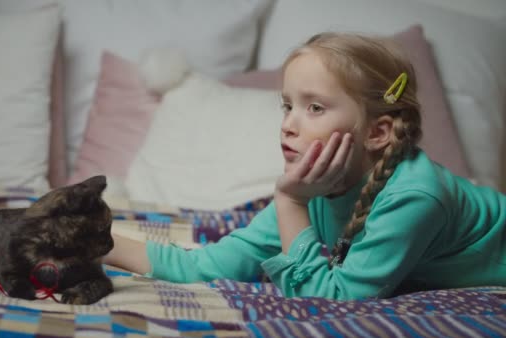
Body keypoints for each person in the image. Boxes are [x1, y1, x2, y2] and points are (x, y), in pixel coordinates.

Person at [104, 32, 506, 300]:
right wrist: (94, 242)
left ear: (378, 132)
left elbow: (334, 299)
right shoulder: (317, 187)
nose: (288, 124)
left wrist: (290, 204)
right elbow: (207, 266)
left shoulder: (415, 197)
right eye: (287, 105)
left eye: (314, 107)